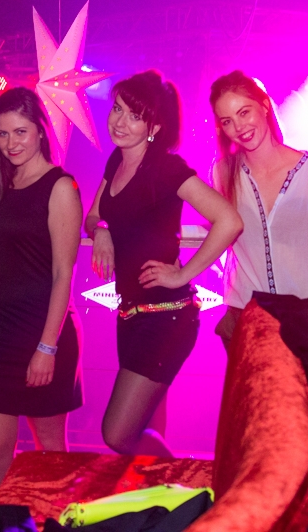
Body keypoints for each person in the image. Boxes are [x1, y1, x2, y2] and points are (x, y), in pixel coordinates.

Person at [85, 71, 243, 456]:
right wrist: (101, 230)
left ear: (154, 127)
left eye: (135, 116)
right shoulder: (116, 161)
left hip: (167, 318)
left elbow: (229, 221)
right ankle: (161, 489)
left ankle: (180, 484)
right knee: (144, 427)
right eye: (118, 109)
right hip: (130, 316)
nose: (120, 122)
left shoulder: (166, 169)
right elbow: (93, 215)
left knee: (117, 434)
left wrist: (184, 273)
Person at [0, 87, 84, 496]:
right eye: (3, 134)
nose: (11, 143)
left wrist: (47, 346)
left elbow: (63, 274)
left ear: (40, 130)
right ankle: (6, 524)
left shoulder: (61, 186)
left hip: (43, 334)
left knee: (50, 451)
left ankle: (55, 523)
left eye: (20, 132)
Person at [209, 70, 308, 346]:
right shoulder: (223, 173)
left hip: (306, 319)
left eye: (244, 112)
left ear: (264, 106)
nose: (239, 127)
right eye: (227, 121)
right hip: (244, 319)